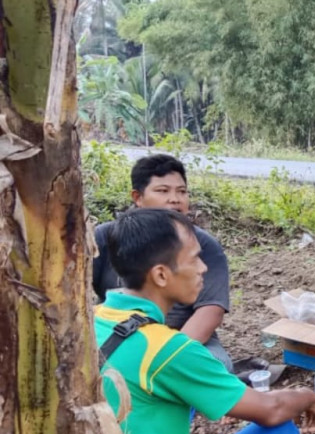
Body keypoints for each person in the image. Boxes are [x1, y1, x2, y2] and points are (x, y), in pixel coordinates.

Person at [96, 208, 315, 434]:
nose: (204, 268)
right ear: (160, 274)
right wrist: (308, 396)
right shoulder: (167, 349)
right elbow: (270, 410)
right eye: (195, 258)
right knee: (281, 433)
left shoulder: (93, 319)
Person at [93, 154, 234, 371]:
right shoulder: (105, 238)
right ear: (137, 197)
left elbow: (210, 311)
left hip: (180, 336)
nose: (175, 199)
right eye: (162, 191)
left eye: (182, 191)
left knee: (217, 365)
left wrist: (168, 357)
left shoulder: (203, 245)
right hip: (118, 334)